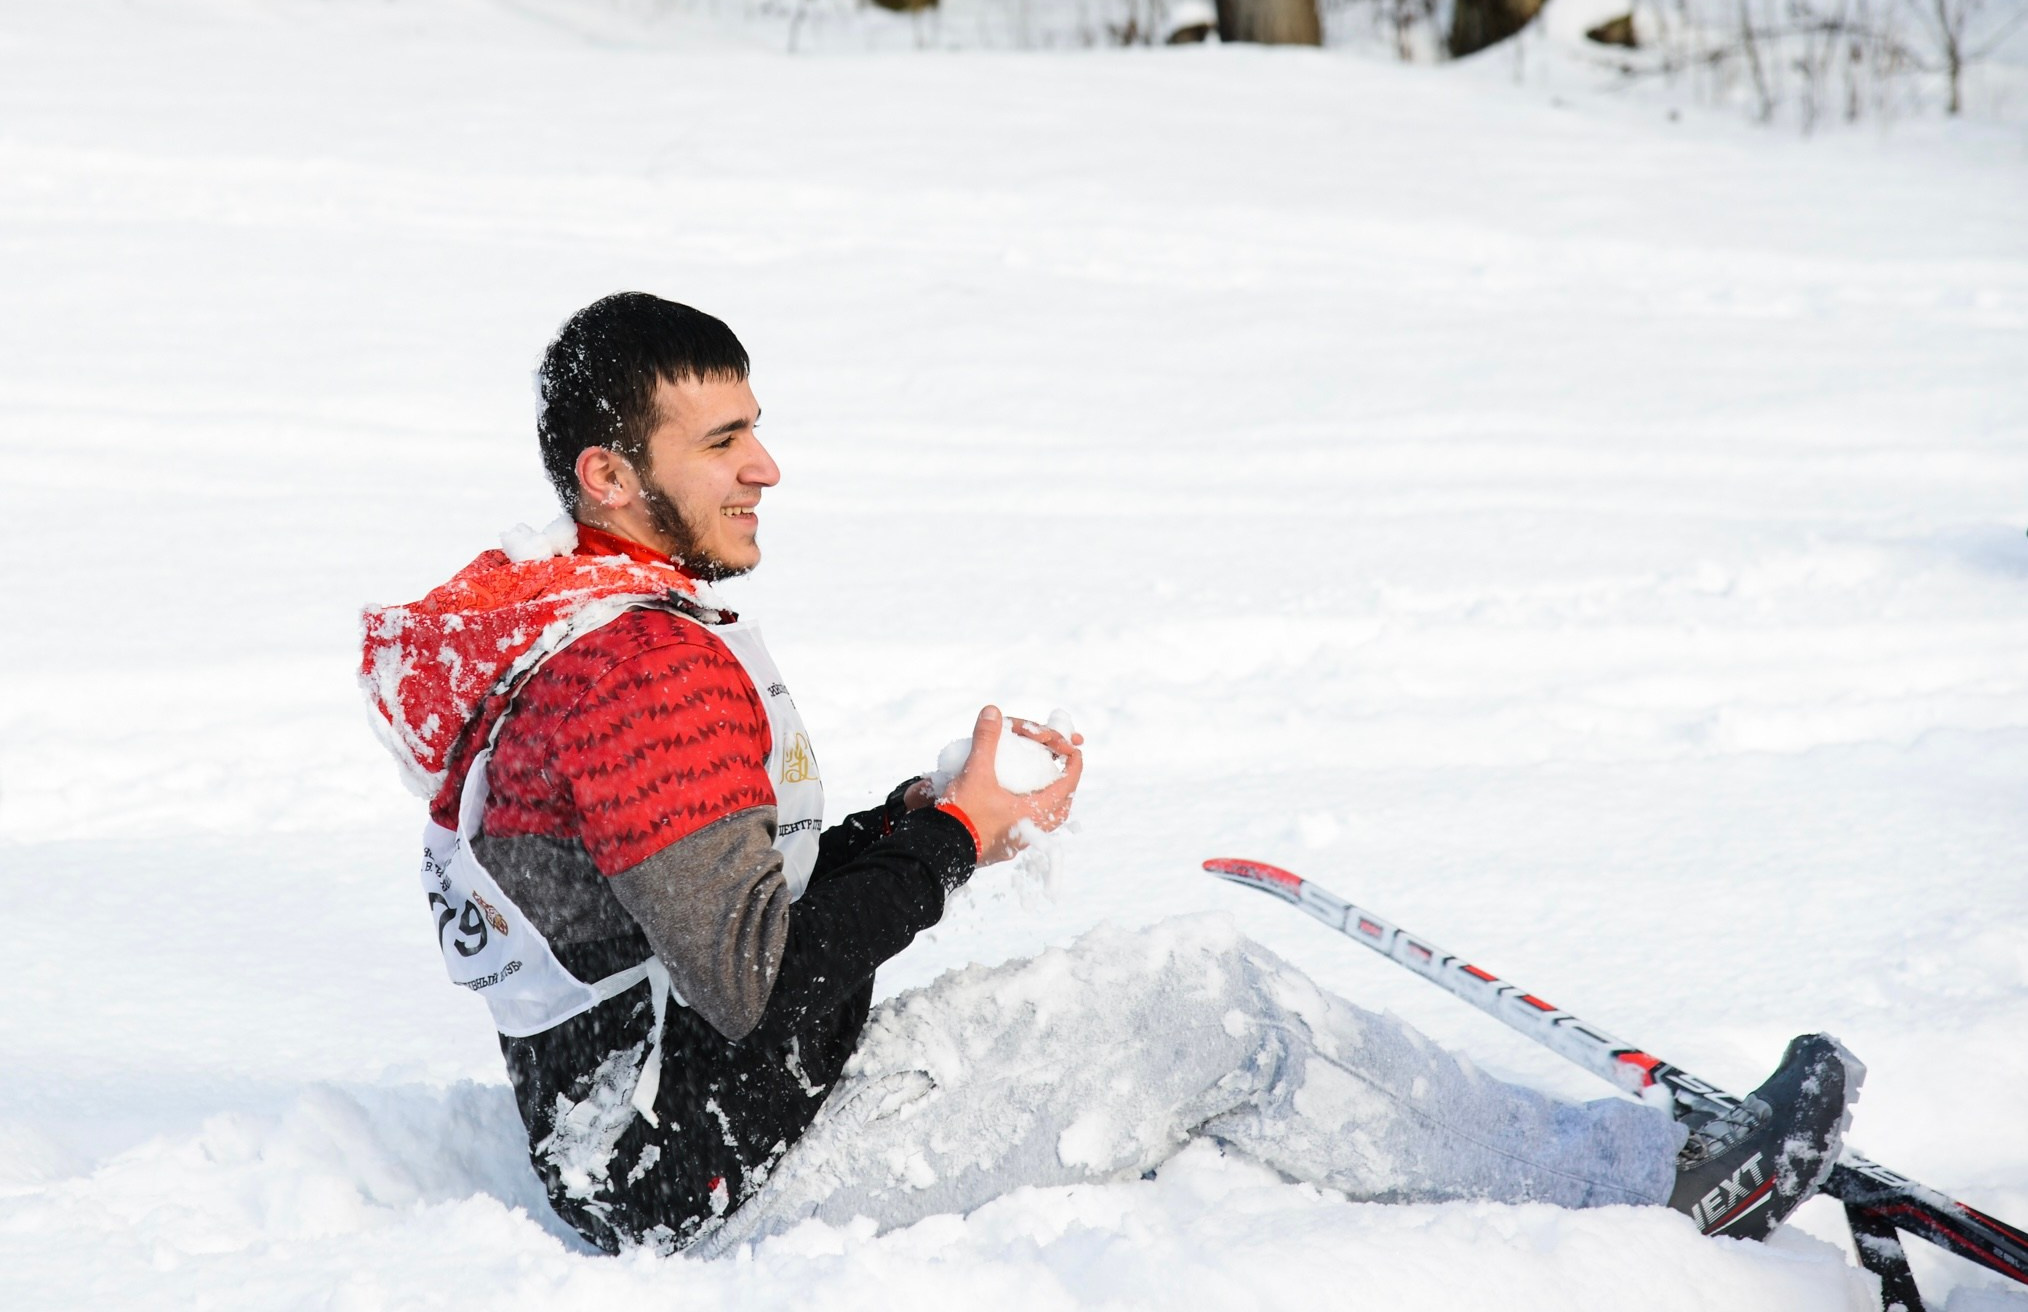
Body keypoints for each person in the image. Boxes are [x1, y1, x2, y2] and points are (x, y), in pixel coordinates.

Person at [359, 292, 1859, 1258]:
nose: (769, 466)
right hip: (693, 1181)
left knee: (1153, 1026)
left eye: (760, 426)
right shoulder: (636, 669)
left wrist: (931, 823)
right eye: (726, 437)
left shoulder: (570, 634)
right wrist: (938, 840)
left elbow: (704, 916)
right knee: (1203, 1007)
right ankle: (1652, 1194)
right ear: (612, 478)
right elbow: (761, 983)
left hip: (646, 1139)